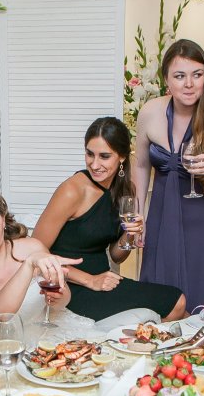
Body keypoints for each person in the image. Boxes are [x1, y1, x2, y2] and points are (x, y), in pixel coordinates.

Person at [33, 116, 185, 322]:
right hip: (67, 285)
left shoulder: (125, 190)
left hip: (104, 279)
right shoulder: (73, 190)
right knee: (176, 304)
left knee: (177, 304)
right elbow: (35, 254)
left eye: (104, 156)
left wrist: (129, 235)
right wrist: (89, 280)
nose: (94, 164)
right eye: (90, 154)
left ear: (122, 157)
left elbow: (116, 256)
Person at [133, 39, 204, 309]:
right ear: (166, 80)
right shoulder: (150, 112)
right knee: (161, 301)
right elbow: (141, 165)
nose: (189, 84)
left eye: (197, 74)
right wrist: (138, 213)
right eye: (180, 76)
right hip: (162, 217)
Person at [0, 181, 93, 343]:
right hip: (9, 350)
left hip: (55, 337)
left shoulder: (33, 247)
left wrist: (58, 299)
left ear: (3, 220)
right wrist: (28, 265)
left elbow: (63, 297)